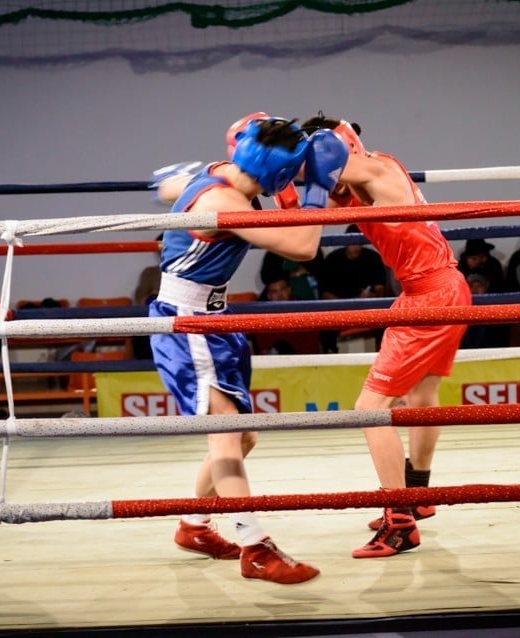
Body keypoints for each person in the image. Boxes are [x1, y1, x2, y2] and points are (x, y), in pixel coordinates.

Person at [149, 117, 347, 584]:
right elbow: (304, 246)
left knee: (244, 437)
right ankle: (254, 545)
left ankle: (194, 526)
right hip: (187, 323)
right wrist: (314, 187)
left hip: (216, 320)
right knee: (227, 434)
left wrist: (167, 186)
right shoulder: (224, 201)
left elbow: (170, 187)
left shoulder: (226, 172)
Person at [301, 112, 470, 558]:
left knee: (370, 407)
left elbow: (331, 168)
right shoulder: (362, 180)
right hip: (439, 289)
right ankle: (417, 496)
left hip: (432, 296)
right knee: (421, 394)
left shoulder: (371, 169)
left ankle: (399, 523)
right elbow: (307, 224)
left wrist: (304, 159)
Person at [318, 223, 389, 352]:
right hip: (338, 310)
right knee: (323, 323)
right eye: (352, 243)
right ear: (345, 242)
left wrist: (370, 297)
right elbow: (324, 293)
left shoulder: (373, 259)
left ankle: (382, 352)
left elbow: (381, 289)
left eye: (358, 243)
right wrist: (345, 305)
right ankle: (330, 354)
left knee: (385, 320)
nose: (355, 248)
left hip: (368, 310)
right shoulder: (332, 260)